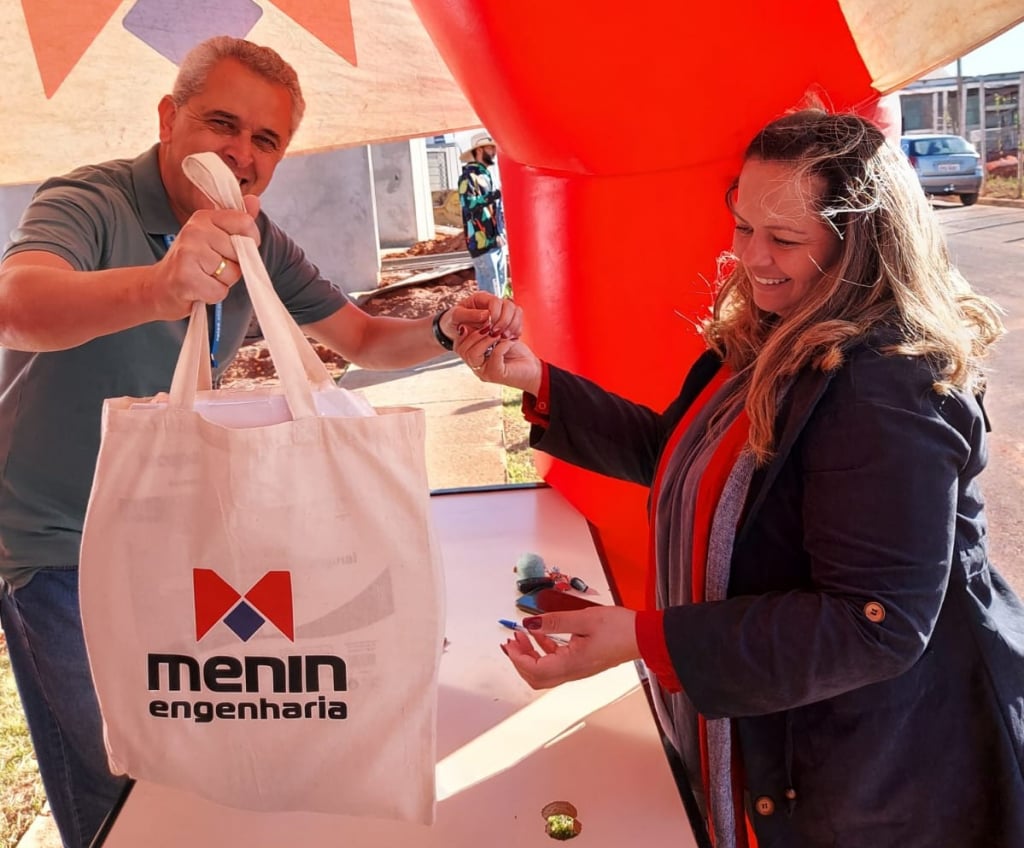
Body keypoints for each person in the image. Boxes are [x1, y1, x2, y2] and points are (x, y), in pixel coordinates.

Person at [0, 36, 519, 848]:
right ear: (169, 119)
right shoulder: (90, 201)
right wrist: (158, 285)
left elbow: (364, 339)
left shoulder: (257, 238)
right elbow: (19, 303)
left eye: (265, 141)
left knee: (200, 749)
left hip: (176, 537)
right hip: (58, 545)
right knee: (122, 782)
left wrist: (449, 330)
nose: (241, 155)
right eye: (221, 124)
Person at [457, 108, 1024, 846]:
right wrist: (535, 377)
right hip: (815, 744)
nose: (752, 258)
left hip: (885, 775)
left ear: (860, 247)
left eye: (785, 238)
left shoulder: (886, 387)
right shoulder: (774, 334)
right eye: (743, 226)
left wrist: (646, 638)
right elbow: (681, 458)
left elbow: (872, 626)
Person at [458, 131, 508, 298]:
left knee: (498, 292)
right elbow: (469, 204)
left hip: (495, 241)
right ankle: (490, 323)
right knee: (491, 294)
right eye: (489, 148)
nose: (493, 152)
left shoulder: (487, 176)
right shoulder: (468, 177)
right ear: (479, 151)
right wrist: (495, 195)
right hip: (482, 243)